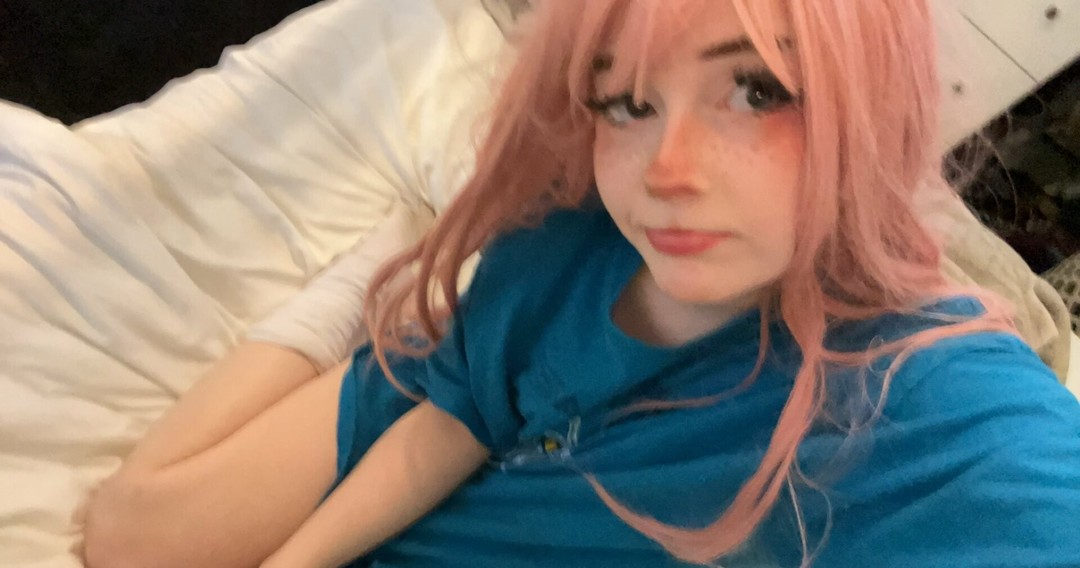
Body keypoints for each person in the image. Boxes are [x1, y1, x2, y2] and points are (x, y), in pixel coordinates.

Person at [82, 1, 1080, 567]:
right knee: (127, 534)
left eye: (755, 89)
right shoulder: (567, 242)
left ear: (872, 109)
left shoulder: (937, 410)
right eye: (626, 102)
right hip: (477, 358)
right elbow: (457, 421)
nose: (665, 173)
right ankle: (369, 285)